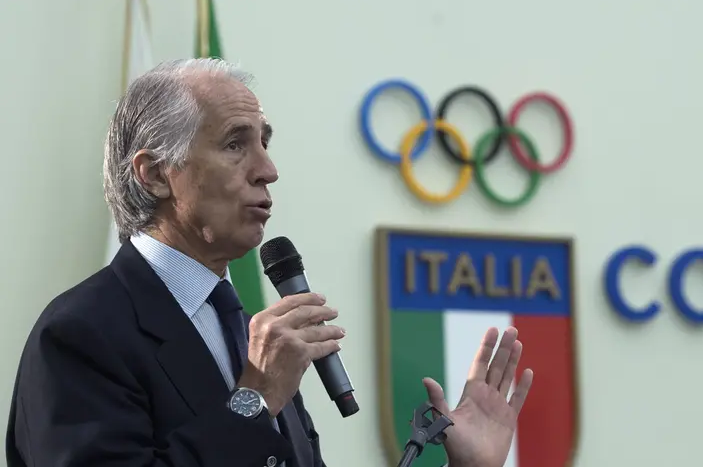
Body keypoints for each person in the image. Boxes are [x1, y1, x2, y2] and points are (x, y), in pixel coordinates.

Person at [4, 58, 534, 467]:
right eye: (236, 144)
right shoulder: (80, 334)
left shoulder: (243, 332)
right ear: (156, 174)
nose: (268, 170)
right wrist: (253, 401)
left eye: (265, 142)